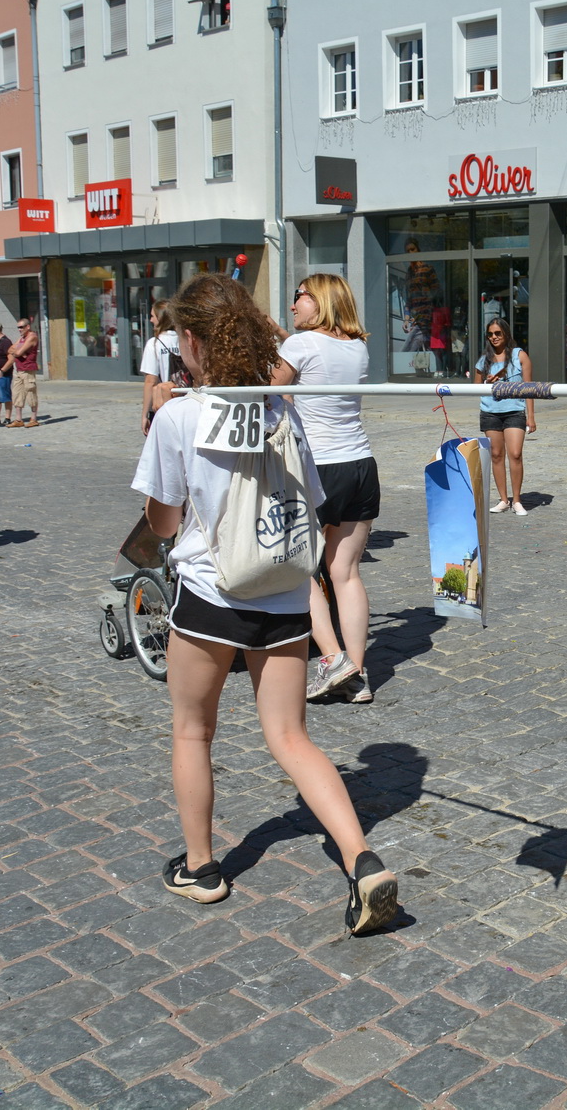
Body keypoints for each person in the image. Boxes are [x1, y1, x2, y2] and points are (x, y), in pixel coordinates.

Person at [134, 272, 397, 934]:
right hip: (282, 594)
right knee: (291, 736)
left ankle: (201, 866)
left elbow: (162, 525)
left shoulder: (180, 414)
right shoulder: (281, 409)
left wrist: (163, 415)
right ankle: (362, 857)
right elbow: (306, 499)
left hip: (212, 594)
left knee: (194, 729)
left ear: (192, 339)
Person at [271, 274, 380, 706]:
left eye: (299, 296)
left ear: (319, 302)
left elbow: (265, 391)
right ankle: (357, 672)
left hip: (317, 467)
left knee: (299, 569)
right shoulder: (357, 347)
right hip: (360, 465)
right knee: (346, 574)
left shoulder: (300, 345)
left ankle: (333, 659)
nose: (293, 304)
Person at [473, 318, 535, 513]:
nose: (494, 337)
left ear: (506, 334)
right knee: (496, 455)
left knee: (515, 454)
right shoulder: (484, 360)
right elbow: (474, 389)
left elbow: (529, 389)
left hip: (515, 411)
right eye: (490, 334)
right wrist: (487, 383)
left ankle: (517, 500)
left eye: (498, 333)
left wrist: (531, 417)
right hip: (490, 411)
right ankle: (503, 499)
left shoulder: (520, 355)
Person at [139, 301, 183, 435]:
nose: (151, 319)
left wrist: (145, 414)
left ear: (161, 318)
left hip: (163, 402)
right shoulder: (184, 340)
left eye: (153, 316)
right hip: (184, 399)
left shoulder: (154, 343)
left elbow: (150, 381)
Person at [6, 317, 40, 428]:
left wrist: (19, 353)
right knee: (17, 393)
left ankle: (33, 419)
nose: (19, 330)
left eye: (21, 327)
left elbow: (18, 352)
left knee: (31, 393)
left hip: (28, 369)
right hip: (19, 369)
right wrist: (18, 352)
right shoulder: (22, 338)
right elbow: (10, 349)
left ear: (28, 327)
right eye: (18, 328)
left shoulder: (32, 337)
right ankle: (18, 420)